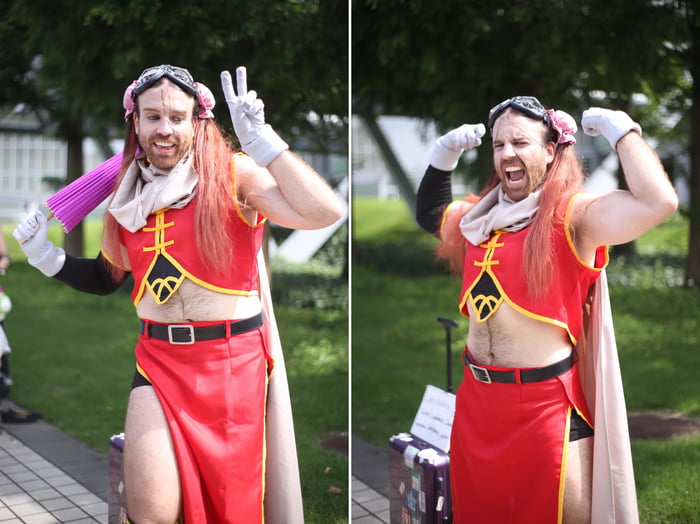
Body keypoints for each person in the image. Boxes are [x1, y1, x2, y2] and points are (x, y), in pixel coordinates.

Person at [14, 64, 344, 523]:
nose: (164, 129)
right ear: (135, 122)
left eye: (176, 117)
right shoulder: (126, 194)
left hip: (231, 365)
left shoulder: (234, 174)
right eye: (152, 117)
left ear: (196, 122)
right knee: (149, 512)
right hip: (158, 363)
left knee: (233, 514)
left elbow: (324, 212)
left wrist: (265, 144)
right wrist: (45, 257)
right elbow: (108, 278)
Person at [416, 96, 678, 523]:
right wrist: (442, 155)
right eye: (499, 145)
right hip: (476, 405)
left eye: (520, 142)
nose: (507, 154)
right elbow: (431, 213)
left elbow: (657, 204)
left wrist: (622, 132)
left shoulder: (573, 216)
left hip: (543, 409)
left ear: (551, 150)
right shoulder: (481, 218)